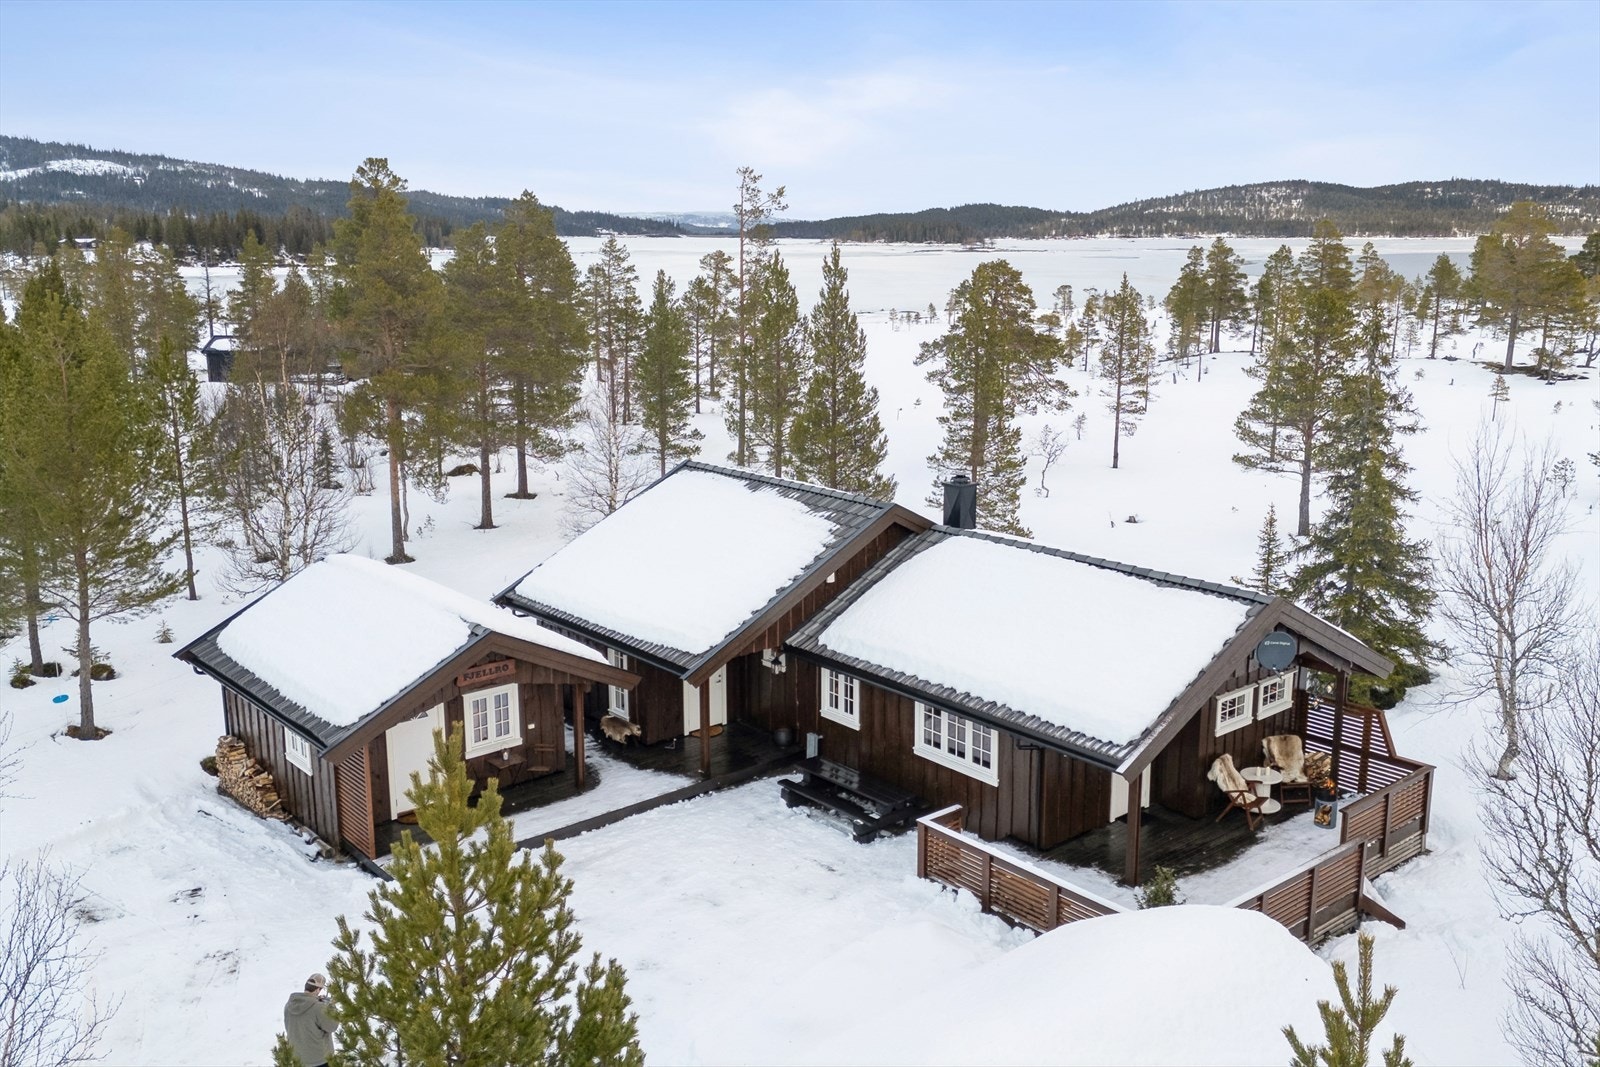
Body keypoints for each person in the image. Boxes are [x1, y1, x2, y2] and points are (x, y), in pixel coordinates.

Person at [283, 972, 337, 1067]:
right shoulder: (318, 1008)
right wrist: (331, 1007)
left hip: (298, 1059)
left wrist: (316, 1000)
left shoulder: (288, 1006)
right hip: (320, 1059)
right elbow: (332, 1026)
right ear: (318, 990)